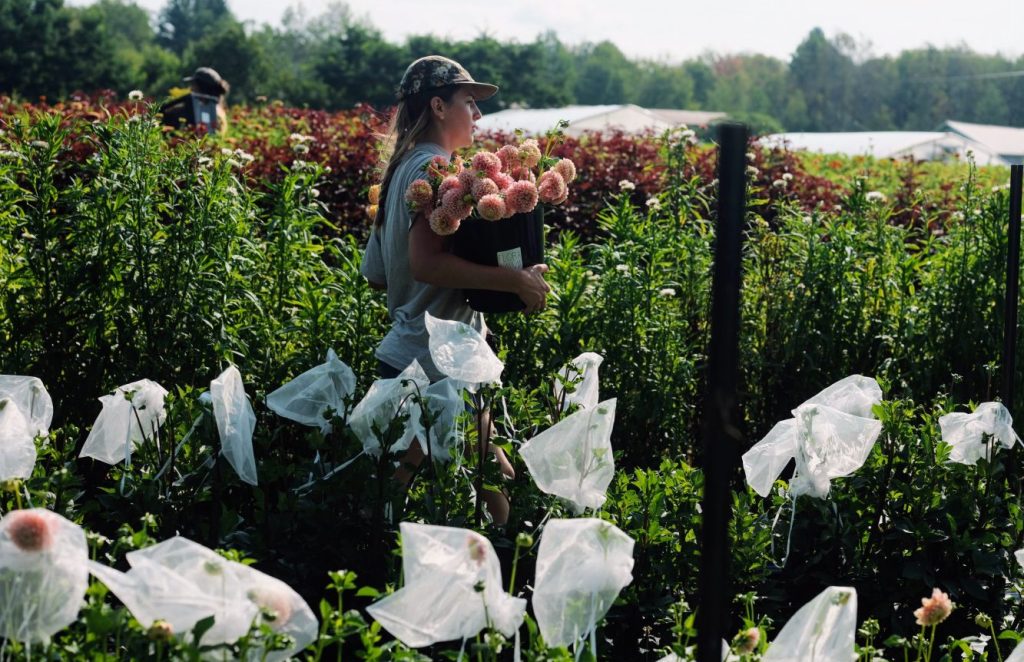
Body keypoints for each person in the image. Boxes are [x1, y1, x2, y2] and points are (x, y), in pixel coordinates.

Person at [360, 55, 550, 523]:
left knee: (478, 468)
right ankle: (500, 567)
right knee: (425, 478)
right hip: (437, 357)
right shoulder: (436, 173)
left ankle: (497, 558)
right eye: (470, 102)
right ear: (440, 106)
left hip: (412, 348)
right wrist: (513, 278)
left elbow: (376, 272)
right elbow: (427, 264)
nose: (479, 115)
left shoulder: (400, 172)